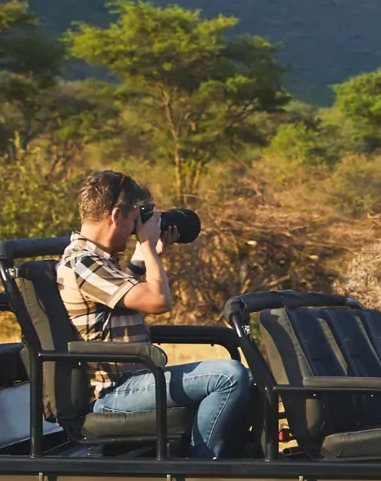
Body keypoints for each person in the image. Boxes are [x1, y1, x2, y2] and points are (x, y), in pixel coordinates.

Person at [58, 169, 252, 458]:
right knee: (230, 376)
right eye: (136, 219)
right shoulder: (83, 263)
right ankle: (202, 468)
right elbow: (159, 300)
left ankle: (232, 460)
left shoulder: (98, 260)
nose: (137, 228)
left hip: (134, 381)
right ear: (115, 216)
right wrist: (146, 245)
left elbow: (116, 303)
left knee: (250, 378)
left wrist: (143, 260)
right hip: (113, 393)